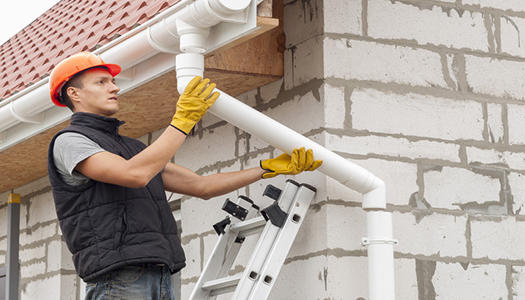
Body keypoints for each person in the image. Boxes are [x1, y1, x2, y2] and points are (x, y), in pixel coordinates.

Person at [46, 52, 321, 300]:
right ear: (74, 93)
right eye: (102, 82)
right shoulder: (70, 142)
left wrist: (266, 168)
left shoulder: (133, 148)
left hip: (161, 274)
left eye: (112, 81)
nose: (115, 87)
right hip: (119, 278)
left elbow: (201, 186)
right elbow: (135, 174)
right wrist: (183, 121)